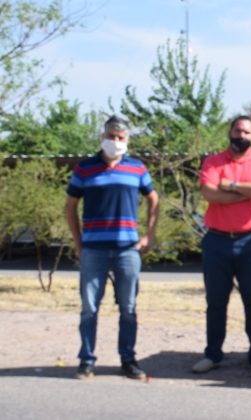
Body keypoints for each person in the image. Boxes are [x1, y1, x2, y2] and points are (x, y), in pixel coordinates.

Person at [65, 116, 159, 380]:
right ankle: (86, 360)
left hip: (127, 250)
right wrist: (78, 242)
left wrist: (148, 236)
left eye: (121, 138)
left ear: (127, 140)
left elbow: (154, 199)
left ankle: (128, 360)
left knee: (128, 307)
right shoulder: (85, 168)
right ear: (102, 136)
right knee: (89, 308)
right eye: (111, 136)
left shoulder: (137, 168)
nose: (115, 142)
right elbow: (70, 206)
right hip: (93, 250)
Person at [191, 115, 251, 376]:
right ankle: (213, 355)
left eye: (248, 132)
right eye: (238, 130)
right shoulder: (214, 161)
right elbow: (209, 193)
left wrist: (232, 186)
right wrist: (250, 193)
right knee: (216, 301)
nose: (242, 136)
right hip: (217, 241)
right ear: (229, 132)